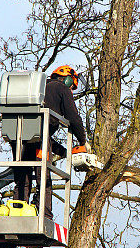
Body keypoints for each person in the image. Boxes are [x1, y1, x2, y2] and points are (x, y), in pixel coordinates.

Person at [12, 65, 87, 218]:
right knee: (44, 178)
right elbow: (74, 118)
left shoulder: (40, 88)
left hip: (18, 136)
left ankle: (17, 212)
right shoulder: (61, 89)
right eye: (72, 86)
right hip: (40, 138)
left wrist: (65, 152)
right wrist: (83, 141)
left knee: (22, 178)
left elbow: (44, 135)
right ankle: (44, 216)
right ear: (67, 79)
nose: (71, 89)